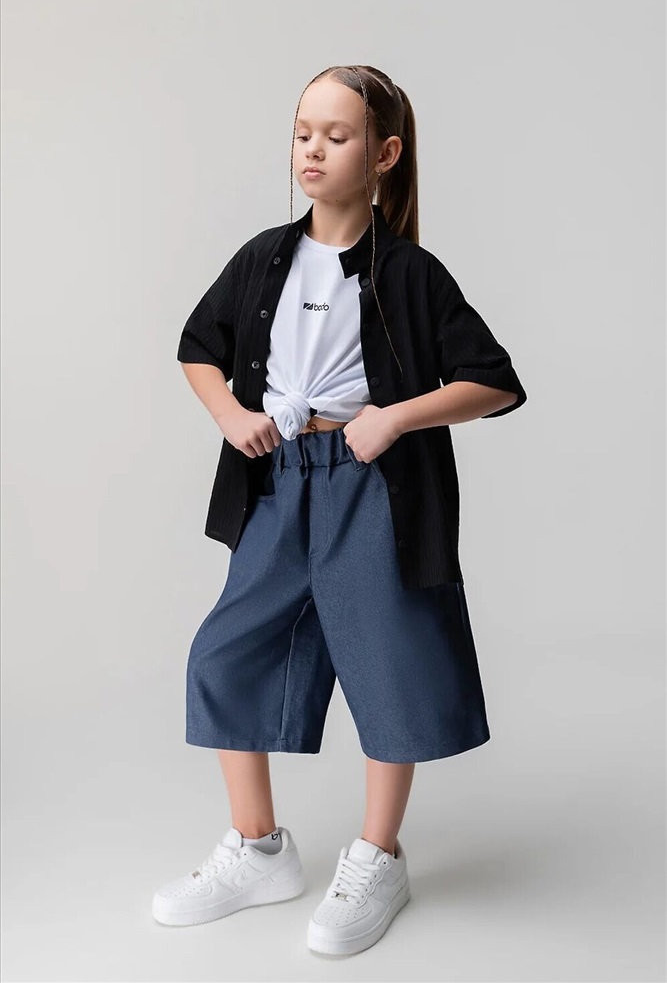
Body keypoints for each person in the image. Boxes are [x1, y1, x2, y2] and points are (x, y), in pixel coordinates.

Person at [152, 64, 527, 957]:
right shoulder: (264, 257)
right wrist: (231, 416)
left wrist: (394, 417)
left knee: (386, 656)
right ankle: (257, 850)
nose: (312, 150)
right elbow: (198, 346)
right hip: (279, 477)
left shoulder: (411, 272)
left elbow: (494, 382)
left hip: (372, 484)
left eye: (337, 135)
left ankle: (377, 856)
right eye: (302, 133)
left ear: (384, 154)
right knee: (228, 650)